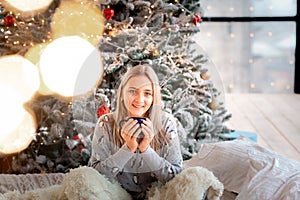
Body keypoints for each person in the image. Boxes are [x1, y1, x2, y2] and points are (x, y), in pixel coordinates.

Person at [89, 64, 183, 199]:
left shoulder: (166, 123)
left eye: (147, 93)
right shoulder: (106, 123)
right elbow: (94, 176)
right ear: (122, 94)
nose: (139, 99)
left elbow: (176, 176)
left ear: (153, 98)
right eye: (133, 91)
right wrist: (128, 149)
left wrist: (146, 150)